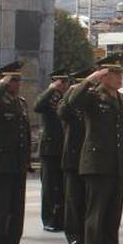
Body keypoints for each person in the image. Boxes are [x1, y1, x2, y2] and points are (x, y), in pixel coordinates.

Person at [68, 55, 123, 244]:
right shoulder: (93, 96)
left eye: (120, 73)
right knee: (97, 212)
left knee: (113, 213)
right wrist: (89, 80)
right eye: (114, 73)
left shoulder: (121, 100)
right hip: (97, 162)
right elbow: (72, 102)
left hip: (117, 164)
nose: (119, 77)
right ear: (104, 76)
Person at [0, 61, 32, 244]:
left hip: (17, 162)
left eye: (19, 80)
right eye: (14, 80)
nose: (18, 83)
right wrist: (1, 84)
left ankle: (12, 243)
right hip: (0, 162)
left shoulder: (20, 102)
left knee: (16, 207)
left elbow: (25, 133)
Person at [58, 67, 92, 244]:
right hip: (73, 157)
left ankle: (87, 233)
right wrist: (72, 91)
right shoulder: (69, 104)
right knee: (73, 199)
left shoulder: (90, 101)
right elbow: (62, 111)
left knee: (87, 199)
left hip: (89, 158)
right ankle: (74, 235)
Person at [33, 68, 69, 233]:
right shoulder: (48, 97)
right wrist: (51, 89)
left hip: (65, 147)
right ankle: (49, 219)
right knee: (49, 186)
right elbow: (38, 106)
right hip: (50, 147)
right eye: (60, 82)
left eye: (65, 82)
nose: (63, 85)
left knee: (62, 186)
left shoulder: (67, 98)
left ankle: (61, 217)